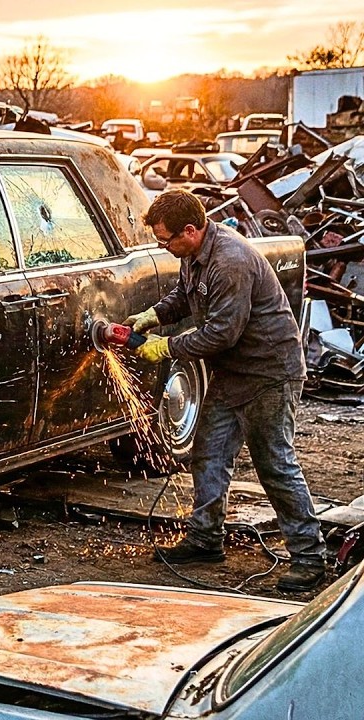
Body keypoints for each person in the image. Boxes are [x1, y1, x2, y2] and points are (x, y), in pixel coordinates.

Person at [127, 189, 326, 592]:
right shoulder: (195, 255)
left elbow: (222, 333)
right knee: (209, 451)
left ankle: (309, 556)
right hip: (235, 373)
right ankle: (205, 538)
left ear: (190, 229)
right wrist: (154, 316)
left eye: (166, 240)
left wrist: (166, 345)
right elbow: (186, 296)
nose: (163, 247)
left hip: (270, 373)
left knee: (275, 464)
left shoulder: (231, 261)